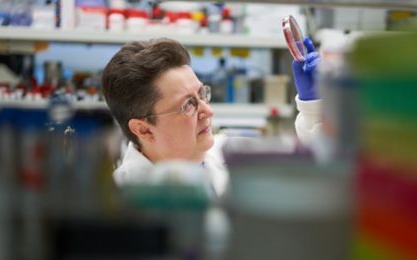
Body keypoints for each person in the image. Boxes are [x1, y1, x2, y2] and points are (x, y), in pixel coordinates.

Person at [101, 37, 325, 197]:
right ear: (144, 129)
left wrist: (313, 107)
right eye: (188, 105)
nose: (208, 111)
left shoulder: (230, 153)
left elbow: (320, 168)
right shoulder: (117, 202)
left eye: (201, 94)